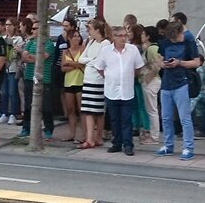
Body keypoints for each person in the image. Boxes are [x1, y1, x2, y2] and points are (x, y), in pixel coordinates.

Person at [93, 25, 144, 155]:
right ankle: (116, 143)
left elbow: (138, 67)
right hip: (111, 91)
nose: (123, 38)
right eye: (120, 36)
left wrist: (130, 76)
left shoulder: (132, 50)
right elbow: (99, 67)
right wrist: (108, 76)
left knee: (127, 119)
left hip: (127, 90)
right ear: (113, 37)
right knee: (114, 119)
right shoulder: (106, 51)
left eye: (125, 35)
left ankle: (128, 145)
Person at [155, 20, 201, 160]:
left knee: (184, 117)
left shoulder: (188, 42)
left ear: (181, 33)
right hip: (166, 83)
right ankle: (168, 145)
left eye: (177, 37)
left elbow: (197, 62)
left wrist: (180, 63)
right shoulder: (165, 43)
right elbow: (159, 59)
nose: (174, 40)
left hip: (182, 82)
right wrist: (162, 64)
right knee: (166, 117)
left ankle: (188, 147)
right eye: (172, 38)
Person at [18, 21, 56, 140]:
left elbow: (41, 58)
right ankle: (26, 127)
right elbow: (25, 57)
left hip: (44, 79)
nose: (32, 31)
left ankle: (49, 129)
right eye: (32, 29)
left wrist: (32, 57)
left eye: (35, 29)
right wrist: (33, 58)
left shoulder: (49, 44)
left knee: (46, 106)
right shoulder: (30, 43)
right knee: (28, 105)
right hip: (29, 77)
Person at [77, 19, 110, 149]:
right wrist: (90, 60)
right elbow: (81, 58)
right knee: (88, 110)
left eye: (90, 29)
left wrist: (90, 62)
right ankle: (90, 138)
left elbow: (100, 61)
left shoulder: (105, 43)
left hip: (98, 80)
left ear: (97, 30)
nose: (88, 31)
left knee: (98, 111)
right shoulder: (90, 42)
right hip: (88, 79)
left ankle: (98, 137)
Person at [59, 29, 85, 143]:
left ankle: (83, 134)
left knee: (81, 109)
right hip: (69, 82)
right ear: (69, 38)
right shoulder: (66, 52)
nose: (77, 39)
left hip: (80, 81)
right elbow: (63, 68)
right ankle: (72, 133)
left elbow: (83, 64)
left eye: (78, 36)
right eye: (74, 36)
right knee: (70, 109)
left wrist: (70, 63)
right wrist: (75, 65)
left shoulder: (83, 50)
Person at [139, 25, 163, 145]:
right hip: (150, 80)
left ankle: (154, 136)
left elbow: (157, 65)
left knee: (152, 109)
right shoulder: (151, 48)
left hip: (151, 81)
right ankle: (153, 134)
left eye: (143, 34)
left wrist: (148, 78)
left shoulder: (152, 49)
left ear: (148, 36)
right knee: (151, 109)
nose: (141, 36)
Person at [0, 18, 23, 124]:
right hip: (3, 68)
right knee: (3, 92)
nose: (7, 27)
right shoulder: (2, 38)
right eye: (6, 25)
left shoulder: (18, 39)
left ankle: (13, 113)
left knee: (12, 92)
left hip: (13, 68)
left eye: (10, 25)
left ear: (15, 26)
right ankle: (4, 113)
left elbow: (16, 52)